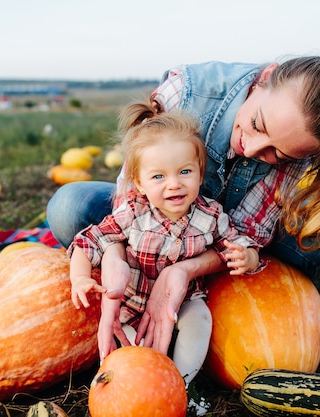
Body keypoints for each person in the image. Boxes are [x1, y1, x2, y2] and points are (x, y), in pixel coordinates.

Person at [48, 56, 320, 355]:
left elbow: (247, 231)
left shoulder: (305, 146)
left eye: (279, 154)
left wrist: (187, 268)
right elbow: (131, 203)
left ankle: (250, 273)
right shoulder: (188, 91)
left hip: (223, 231)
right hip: (153, 221)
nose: (253, 149)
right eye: (258, 125)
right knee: (68, 208)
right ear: (266, 77)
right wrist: (116, 257)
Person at [68, 104, 262, 386]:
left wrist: (248, 256)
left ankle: (180, 383)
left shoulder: (211, 216)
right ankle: (149, 386)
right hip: (131, 305)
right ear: (140, 183)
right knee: (135, 350)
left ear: (200, 173)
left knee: (200, 323)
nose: (174, 184)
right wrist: (80, 278)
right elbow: (89, 241)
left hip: (184, 301)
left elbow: (238, 242)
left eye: (184, 172)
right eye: (159, 176)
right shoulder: (133, 213)